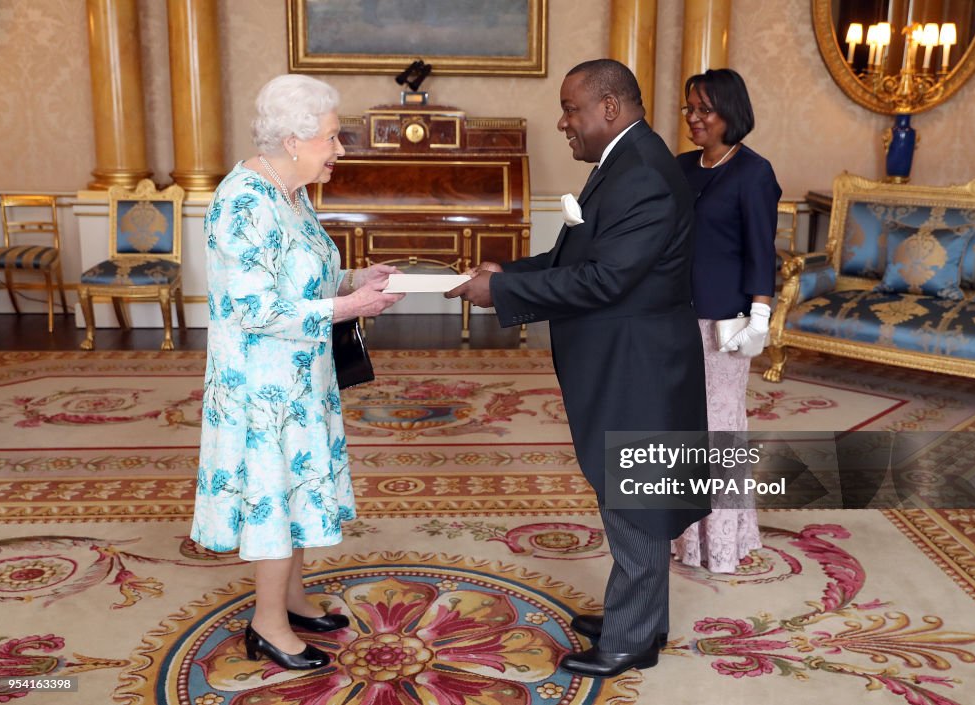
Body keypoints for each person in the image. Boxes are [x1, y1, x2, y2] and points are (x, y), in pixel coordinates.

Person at [445, 59, 708, 678]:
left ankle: (632, 638)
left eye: (571, 109)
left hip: (637, 366)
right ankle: (640, 616)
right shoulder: (624, 161)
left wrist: (503, 295)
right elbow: (582, 253)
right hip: (627, 357)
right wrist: (511, 273)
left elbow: (607, 278)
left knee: (635, 496)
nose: (563, 122)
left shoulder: (640, 171)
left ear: (609, 108)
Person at [191, 74, 403, 670]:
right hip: (262, 389)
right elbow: (251, 309)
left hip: (302, 377)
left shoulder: (291, 192)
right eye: (333, 138)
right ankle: (266, 623)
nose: (340, 149)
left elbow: (299, 279)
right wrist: (346, 309)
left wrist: (352, 282)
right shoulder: (244, 200)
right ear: (292, 139)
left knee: (297, 488)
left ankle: (290, 599)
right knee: (273, 495)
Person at [671, 69, 781, 573]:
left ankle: (722, 541)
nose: (692, 118)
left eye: (703, 110)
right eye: (689, 108)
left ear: (730, 114)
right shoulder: (681, 168)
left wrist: (760, 315)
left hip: (725, 323)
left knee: (718, 427)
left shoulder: (753, 173)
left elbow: (762, 250)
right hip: (671, 317)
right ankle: (683, 537)